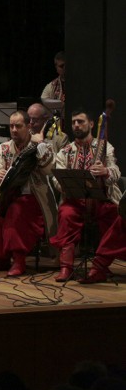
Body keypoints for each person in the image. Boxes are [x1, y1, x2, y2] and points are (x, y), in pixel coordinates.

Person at [0, 111, 56, 276]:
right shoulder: (3, 148)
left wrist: (40, 146)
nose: (13, 130)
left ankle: (18, 260)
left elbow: (50, 170)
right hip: (7, 196)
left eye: (18, 126)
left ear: (28, 126)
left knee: (16, 211)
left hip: (33, 198)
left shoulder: (41, 146)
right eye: (11, 126)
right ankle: (0, 258)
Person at [51, 110, 121, 282]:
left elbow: (116, 171)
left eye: (80, 121)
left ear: (91, 124)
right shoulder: (65, 152)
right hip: (75, 201)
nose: (76, 125)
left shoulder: (105, 147)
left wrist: (105, 171)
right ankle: (66, 267)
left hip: (102, 199)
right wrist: (66, 185)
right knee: (66, 214)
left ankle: (100, 267)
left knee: (115, 217)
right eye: (74, 122)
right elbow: (56, 178)